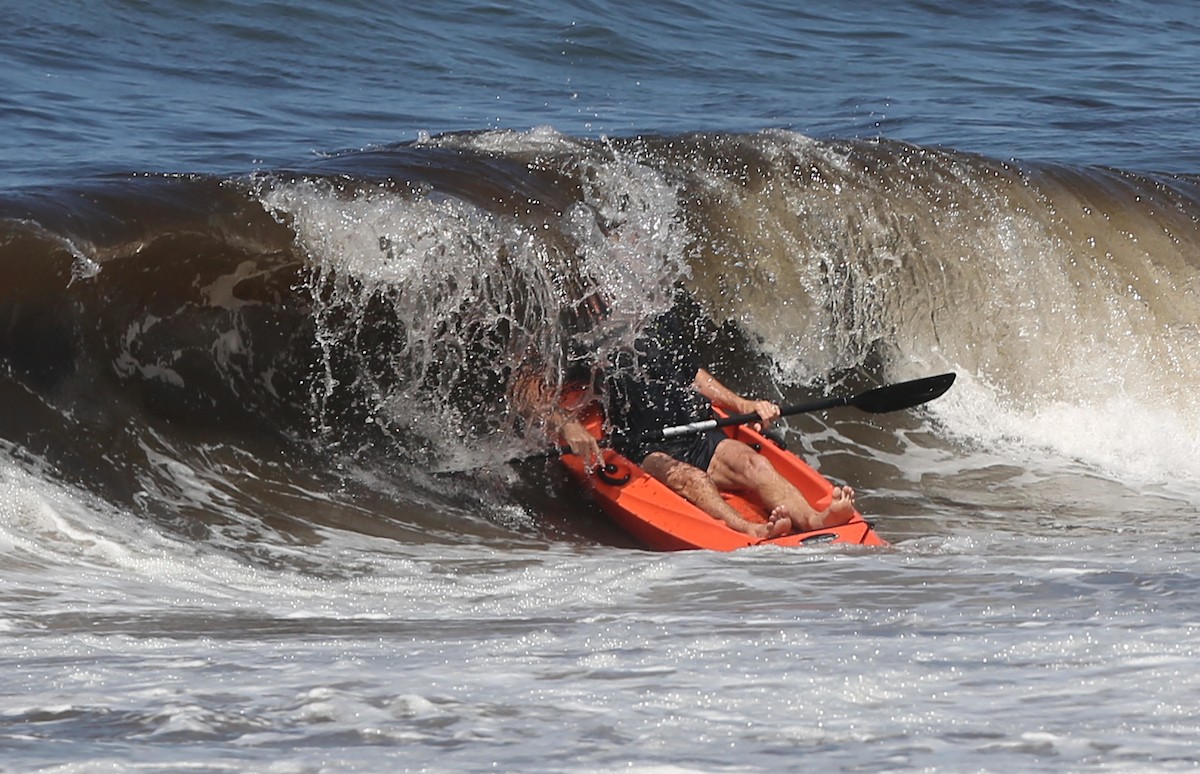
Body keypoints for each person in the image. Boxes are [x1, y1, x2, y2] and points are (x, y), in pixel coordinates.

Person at [525, 297, 857, 539]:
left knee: (753, 464)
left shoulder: (655, 311)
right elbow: (526, 388)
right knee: (692, 480)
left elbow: (690, 373)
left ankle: (815, 520)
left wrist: (740, 403)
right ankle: (748, 530)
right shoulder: (584, 335)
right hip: (645, 446)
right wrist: (568, 425)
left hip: (698, 430)